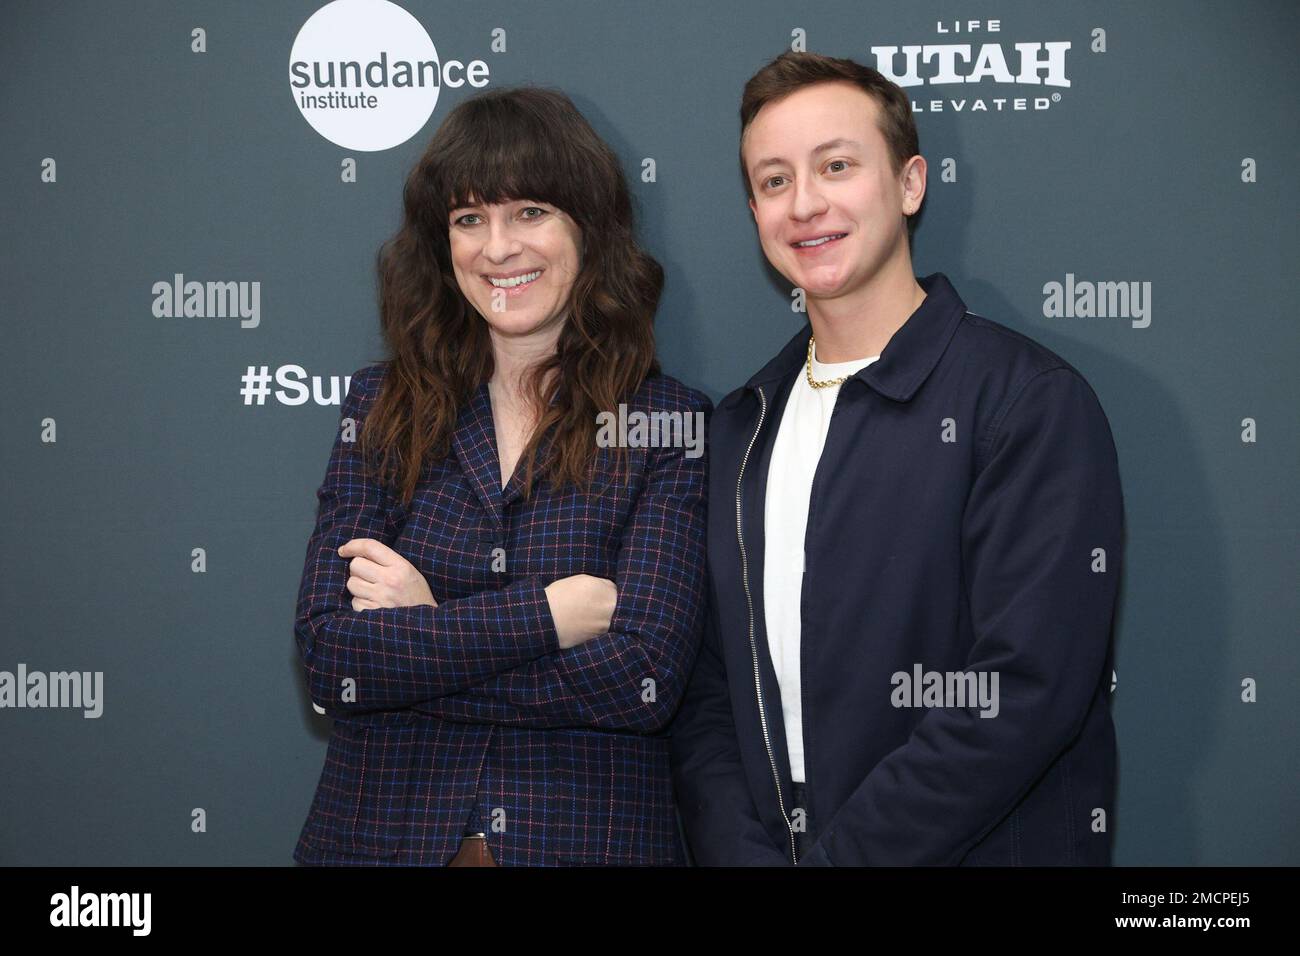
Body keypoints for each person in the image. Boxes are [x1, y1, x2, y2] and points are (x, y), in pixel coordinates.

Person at [670, 51, 1124, 865]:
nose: (805, 204)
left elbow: (1021, 689)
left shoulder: (1026, 402)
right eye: (774, 181)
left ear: (911, 184)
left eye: (836, 166)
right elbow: (709, 693)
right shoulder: (741, 429)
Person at [292, 86, 710, 866]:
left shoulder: (668, 425)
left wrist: (423, 625)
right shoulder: (380, 406)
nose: (497, 249)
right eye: (468, 219)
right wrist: (547, 616)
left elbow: (641, 680)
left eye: (530, 213)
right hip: (376, 840)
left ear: (588, 228)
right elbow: (331, 656)